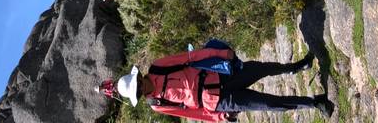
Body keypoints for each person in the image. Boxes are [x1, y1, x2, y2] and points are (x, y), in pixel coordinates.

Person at [116, 45, 333, 122]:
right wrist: (219, 117)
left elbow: (191, 58)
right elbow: (191, 113)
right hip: (220, 103)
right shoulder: (156, 103)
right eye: (138, 91)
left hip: (221, 76)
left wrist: (219, 53)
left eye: (138, 85)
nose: (142, 89)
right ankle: (314, 103)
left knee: (262, 68)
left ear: (139, 78)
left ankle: (298, 66)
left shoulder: (158, 66)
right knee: (268, 104)